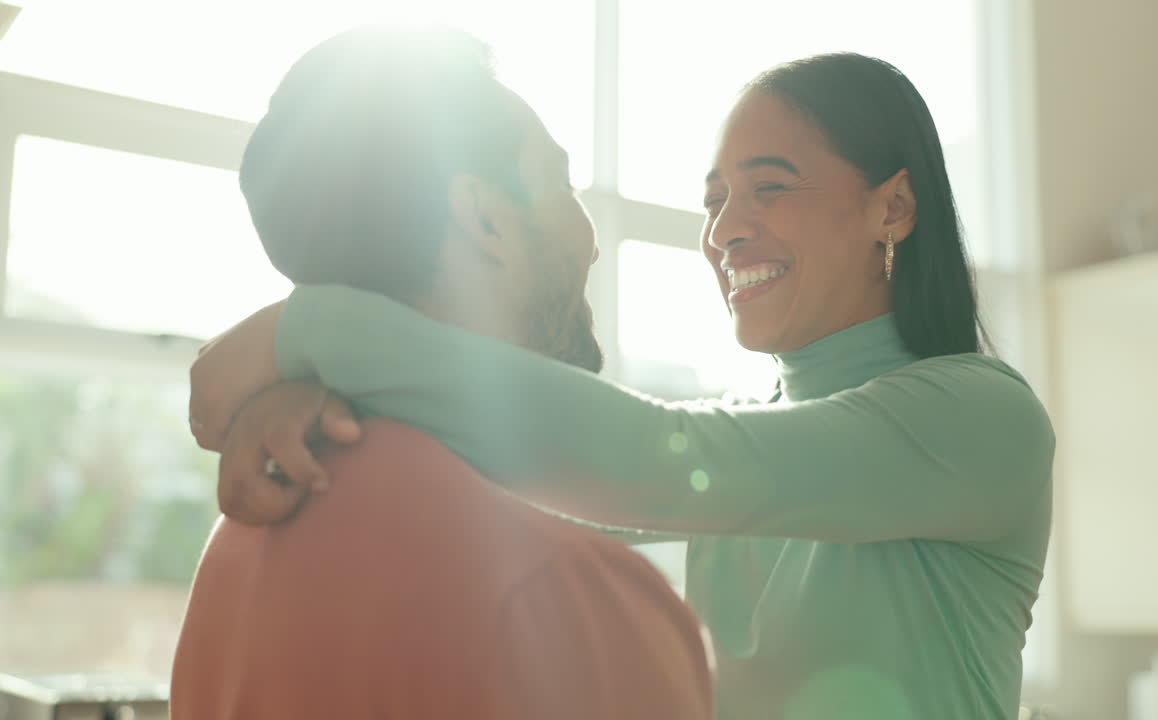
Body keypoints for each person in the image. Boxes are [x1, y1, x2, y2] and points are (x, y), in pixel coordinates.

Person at [191, 48, 1056, 720]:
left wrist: (310, 330)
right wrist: (311, 391)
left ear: (894, 209)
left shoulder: (978, 416)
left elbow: (646, 457)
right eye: (715, 199)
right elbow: (526, 470)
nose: (726, 230)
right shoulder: (758, 444)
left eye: (771, 188)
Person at [170, 26, 713, 720]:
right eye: (561, 186)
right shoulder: (569, 593)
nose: (591, 234)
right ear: (484, 218)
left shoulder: (233, 551)